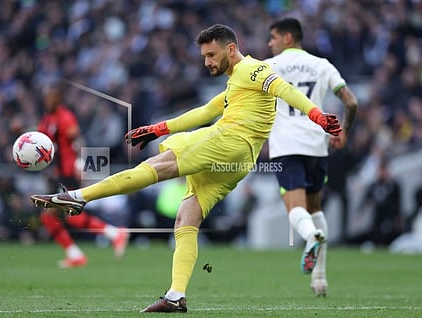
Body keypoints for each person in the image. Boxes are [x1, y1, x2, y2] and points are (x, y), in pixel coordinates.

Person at [31, 24, 341, 312]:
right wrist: (158, 128)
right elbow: (206, 110)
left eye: (211, 54)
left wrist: (317, 116)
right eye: (204, 56)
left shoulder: (253, 68)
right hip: (238, 160)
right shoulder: (238, 82)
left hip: (228, 140)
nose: (206, 62)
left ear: (231, 49)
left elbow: (285, 89)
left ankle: (80, 195)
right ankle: (176, 295)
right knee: (186, 217)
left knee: (158, 165)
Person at [264, 17, 358, 297]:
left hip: (286, 146)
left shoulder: (269, 67)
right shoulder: (322, 65)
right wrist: (343, 131)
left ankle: (310, 238)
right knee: (315, 209)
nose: (269, 43)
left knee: (295, 207)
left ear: (287, 38)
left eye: (273, 38)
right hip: (317, 145)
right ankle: (320, 280)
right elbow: (351, 101)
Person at [36, 80, 128, 269]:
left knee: (64, 215)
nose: (48, 100)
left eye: (51, 96)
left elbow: (78, 140)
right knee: (53, 216)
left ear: (58, 98)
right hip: (59, 174)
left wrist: (80, 162)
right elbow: (38, 144)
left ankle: (111, 235)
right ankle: (86, 248)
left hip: (70, 172)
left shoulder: (65, 118)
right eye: (45, 96)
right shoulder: (47, 119)